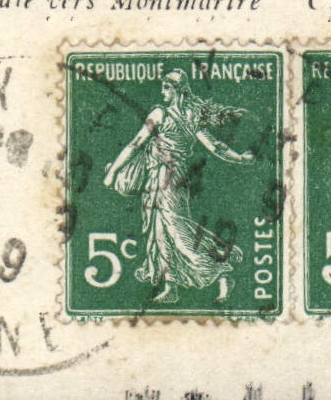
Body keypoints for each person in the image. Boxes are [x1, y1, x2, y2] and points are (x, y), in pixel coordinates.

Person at [102, 70, 255, 303]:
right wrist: (240, 158)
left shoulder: (162, 114)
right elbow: (215, 146)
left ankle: (222, 272)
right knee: (160, 232)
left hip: (170, 179)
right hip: (161, 178)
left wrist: (113, 171)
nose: (162, 92)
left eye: (166, 87)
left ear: (178, 90)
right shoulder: (186, 115)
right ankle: (170, 285)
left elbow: (137, 144)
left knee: (177, 231)